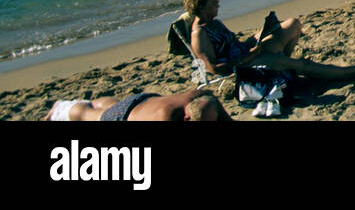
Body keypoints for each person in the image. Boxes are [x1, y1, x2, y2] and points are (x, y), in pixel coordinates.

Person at [185, 0, 355, 80]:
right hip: (246, 66)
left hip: (250, 53)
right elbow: (214, 69)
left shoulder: (214, 23)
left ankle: (284, 67)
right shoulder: (199, 35)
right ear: (201, 6)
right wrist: (249, 56)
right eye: (214, 4)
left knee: (292, 24)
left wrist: (259, 35)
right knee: (304, 64)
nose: (218, 7)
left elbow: (232, 46)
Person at [46, 89, 230, 122]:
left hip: (141, 101)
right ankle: (60, 108)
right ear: (186, 118)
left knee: (112, 104)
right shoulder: (165, 118)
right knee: (87, 114)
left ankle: (96, 101)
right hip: (122, 118)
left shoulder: (206, 98)